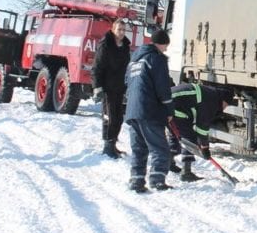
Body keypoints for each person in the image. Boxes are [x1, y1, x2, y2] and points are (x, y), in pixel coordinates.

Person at [124, 29, 175, 193]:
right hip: (149, 110)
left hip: (132, 110)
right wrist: (169, 109)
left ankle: (136, 180)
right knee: (160, 149)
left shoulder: (134, 60)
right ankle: (157, 180)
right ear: (161, 43)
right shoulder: (156, 59)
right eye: (166, 46)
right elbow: (163, 87)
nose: (166, 49)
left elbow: (127, 82)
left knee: (139, 148)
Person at [167, 83, 235, 182]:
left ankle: (169, 163)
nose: (225, 107)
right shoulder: (212, 100)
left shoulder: (209, 93)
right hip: (172, 106)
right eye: (227, 104)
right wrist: (204, 147)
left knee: (175, 135)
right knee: (189, 138)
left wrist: (203, 146)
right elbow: (202, 127)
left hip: (167, 105)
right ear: (224, 100)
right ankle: (186, 172)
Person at [92, 19, 131, 159]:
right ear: (113, 29)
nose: (121, 33)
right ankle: (107, 146)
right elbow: (97, 67)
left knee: (119, 118)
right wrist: (97, 87)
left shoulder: (125, 46)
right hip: (107, 87)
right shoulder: (106, 45)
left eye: (123, 30)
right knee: (110, 117)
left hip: (119, 87)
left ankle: (113, 144)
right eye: (119, 29)